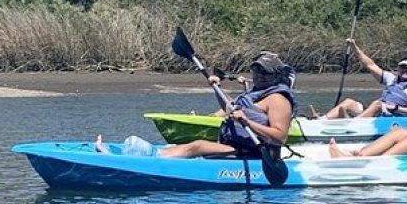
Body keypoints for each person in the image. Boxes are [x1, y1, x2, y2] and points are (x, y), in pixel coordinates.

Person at [96, 52, 296, 158]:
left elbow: (279, 137)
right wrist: (216, 88)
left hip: (256, 154)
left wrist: (248, 122)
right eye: (256, 70)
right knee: (185, 147)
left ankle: (145, 159)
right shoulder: (254, 92)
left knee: (198, 146)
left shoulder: (278, 99)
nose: (259, 76)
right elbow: (229, 107)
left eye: (265, 72)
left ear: (277, 75)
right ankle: (146, 153)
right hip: (235, 147)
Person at [321, 39, 407, 119]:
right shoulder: (390, 78)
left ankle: (354, 124)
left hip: (394, 117)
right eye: (403, 67)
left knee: (377, 104)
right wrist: (354, 47)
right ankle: (322, 120)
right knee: (349, 102)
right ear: (398, 68)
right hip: (379, 113)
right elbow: (370, 64)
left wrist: (396, 108)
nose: (405, 70)